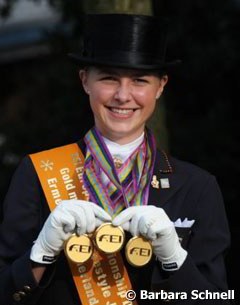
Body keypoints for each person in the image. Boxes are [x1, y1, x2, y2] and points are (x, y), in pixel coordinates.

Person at [0, 14, 232, 305]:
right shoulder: (36, 173)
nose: (123, 95)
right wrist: (40, 254)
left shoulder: (198, 187)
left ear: (160, 86)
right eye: (109, 78)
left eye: (140, 81)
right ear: (85, 81)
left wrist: (174, 259)